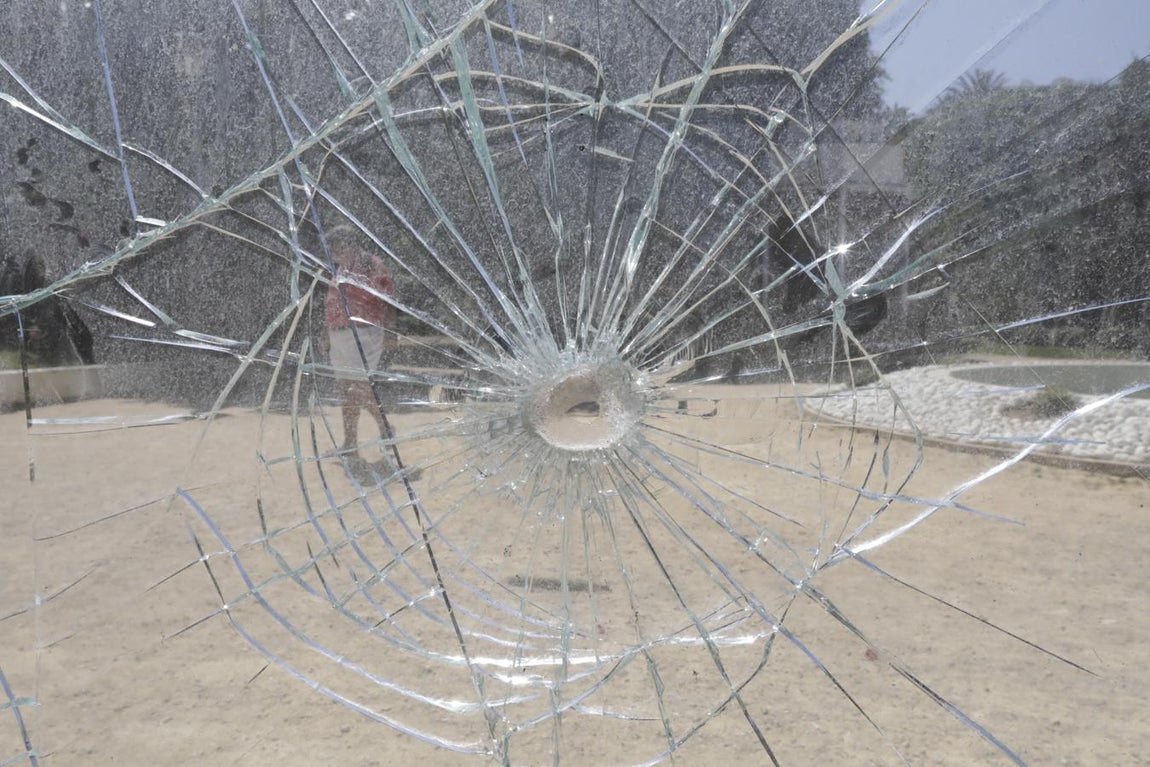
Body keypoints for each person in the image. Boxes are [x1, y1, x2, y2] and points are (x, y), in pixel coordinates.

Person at [322, 226, 398, 472]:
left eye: (335, 249)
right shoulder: (342, 268)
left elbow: (387, 298)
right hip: (340, 334)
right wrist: (327, 333)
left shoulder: (370, 264)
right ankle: (350, 443)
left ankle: (385, 427)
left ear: (347, 245)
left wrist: (390, 330)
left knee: (358, 387)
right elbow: (333, 303)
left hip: (363, 333)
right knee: (346, 389)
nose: (333, 255)